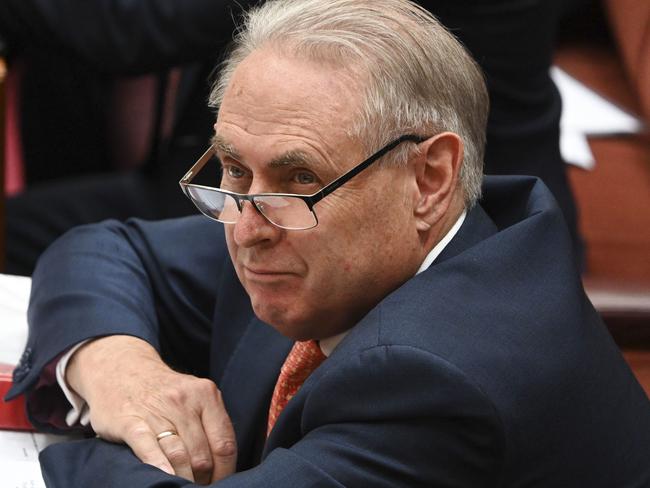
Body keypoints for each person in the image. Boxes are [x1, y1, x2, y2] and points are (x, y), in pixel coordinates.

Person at [6, 0, 649, 486]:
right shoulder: (313, 230)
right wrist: (118, 370)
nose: (247, 226)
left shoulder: (437, 381)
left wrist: (105, 442)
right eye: (233, 168)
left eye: (300, 177)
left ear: (429, 178)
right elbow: (108, 249)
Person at [1, 0, 583, 276]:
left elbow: (134, 30)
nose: (243, 231)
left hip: (423, 219)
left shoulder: (422, 366)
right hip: (349, 188)